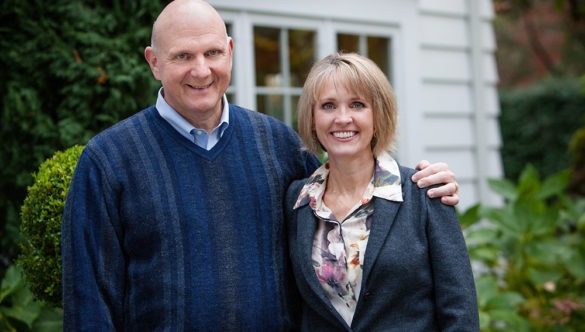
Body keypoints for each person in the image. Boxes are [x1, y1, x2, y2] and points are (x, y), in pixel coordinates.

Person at [61, 0, 460, 330]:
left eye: (212, 53)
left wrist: (420, 183)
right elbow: (89, 301)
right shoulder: (108, 161)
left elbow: (348, 189)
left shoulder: (278, 145)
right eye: (183, 56)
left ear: (230, 52)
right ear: (154, 62)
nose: (201, 70)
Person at [286, 52, 479, 331]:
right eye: (328, 106)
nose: (342, 118)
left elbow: (460, 311)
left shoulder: (424, 194)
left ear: (378, 114)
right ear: (312, 118)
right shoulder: (296, 202)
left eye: (357, 104)